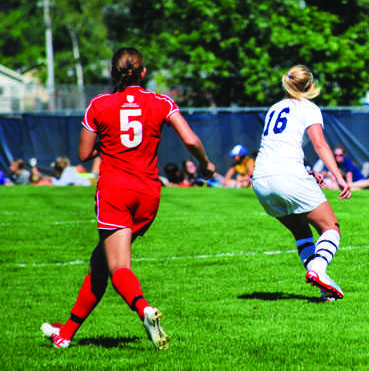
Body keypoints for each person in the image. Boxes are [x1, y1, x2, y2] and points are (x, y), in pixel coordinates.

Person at [41, 47, 215, 350]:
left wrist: (108, 143)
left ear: (112, 72)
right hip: (148, 193)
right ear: (143, 73)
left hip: (115, 191)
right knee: (100, 262)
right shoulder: (162, 101)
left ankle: (144, 310)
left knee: (118, 265)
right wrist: (205, 164)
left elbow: (83, 154)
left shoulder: (99, 104)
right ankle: (65, 334)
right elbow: (189, 138)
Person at [252, 65, 351, 300]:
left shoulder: (274, 108)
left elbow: (278, 145)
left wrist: (306, 170)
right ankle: (318, 270)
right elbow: (319, 144)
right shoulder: (309, 108)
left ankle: (325, 291)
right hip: (288, 175)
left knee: (301, 232)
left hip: (261, 179)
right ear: (310, 86)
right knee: (330, 228)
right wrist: (338, 177)